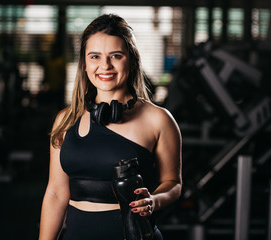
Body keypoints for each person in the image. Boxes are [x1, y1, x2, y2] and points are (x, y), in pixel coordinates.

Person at [39, 14, 182, 240]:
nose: (104, 65)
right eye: (95, 56)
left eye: (116, 56)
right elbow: (56, 193)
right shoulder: (65, 120)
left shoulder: (158, 119)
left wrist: (153, 200)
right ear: (84, 63)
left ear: (132, 60)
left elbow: (173, 183)